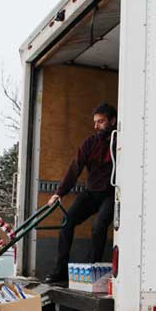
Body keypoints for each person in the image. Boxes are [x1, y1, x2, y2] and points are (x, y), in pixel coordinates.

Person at [43, 103, 117, 285]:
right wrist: (59, 193)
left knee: (98, 226)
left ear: (112, 121)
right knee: (67, 221)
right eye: (95, 122)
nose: (96, 126)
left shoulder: (119, 143)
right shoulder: (89, 143)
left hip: (111, 194)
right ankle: (60, 271)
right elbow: (75, 168)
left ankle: (94, 271)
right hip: (91, 193)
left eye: (101, 122)